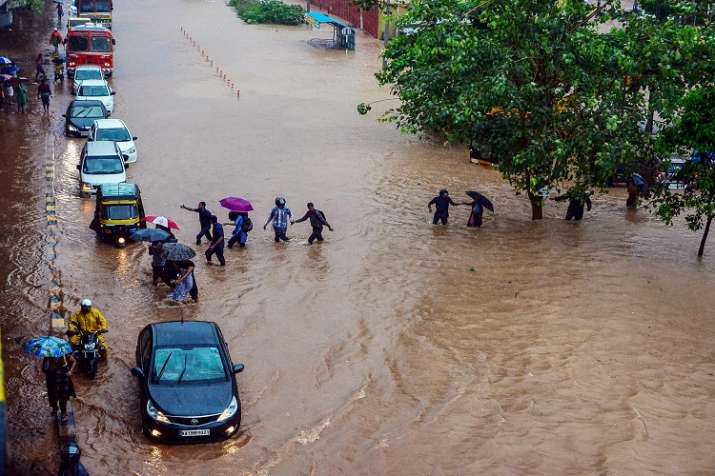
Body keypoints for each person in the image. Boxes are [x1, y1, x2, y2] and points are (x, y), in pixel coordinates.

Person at [42, 353, 75, 422]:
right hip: (52, 381)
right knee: (52, 395)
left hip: (63, 380)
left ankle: (63, 413)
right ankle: (55, 409)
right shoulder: (47, 357)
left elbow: (74, 361)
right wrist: (47, 365)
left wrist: (70, 371)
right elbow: (44, 369)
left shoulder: (64, 355)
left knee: (63, 396)